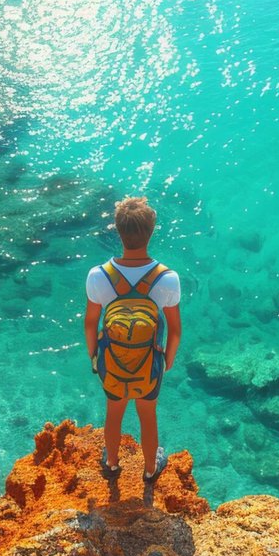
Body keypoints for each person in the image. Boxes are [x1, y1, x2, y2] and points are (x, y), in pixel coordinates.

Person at [85, 196, 181, 482]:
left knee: (114, 412)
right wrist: (167, 361)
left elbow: (91, 323)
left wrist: (95, 359)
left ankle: (112, 464)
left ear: (117, 230)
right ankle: (150, 469)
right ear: (151, 232)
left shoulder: (98, 275)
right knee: (147, 414)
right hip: (150, 361)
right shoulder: (168, 278)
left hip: (111, 360)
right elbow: (175, 329)